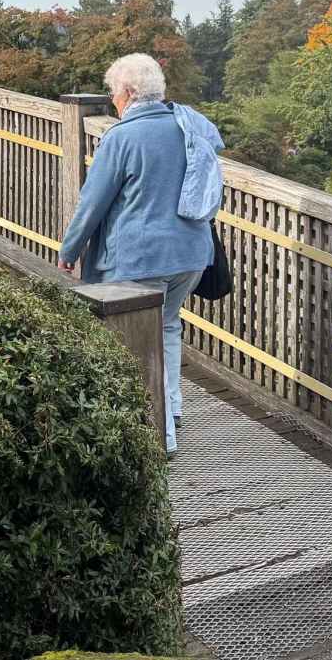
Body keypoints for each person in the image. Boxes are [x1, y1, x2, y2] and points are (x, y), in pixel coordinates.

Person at [58, 53, 223, 460]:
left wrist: (70, 250)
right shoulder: (188, 124)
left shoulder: (122, 137)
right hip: (192, 254)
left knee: (136, 343)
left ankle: (162, 438)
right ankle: (174, 410)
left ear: (129, 93)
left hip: (144, 259)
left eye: (114, 95)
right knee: (166, 327)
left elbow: (92, 203)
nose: (114, 103)